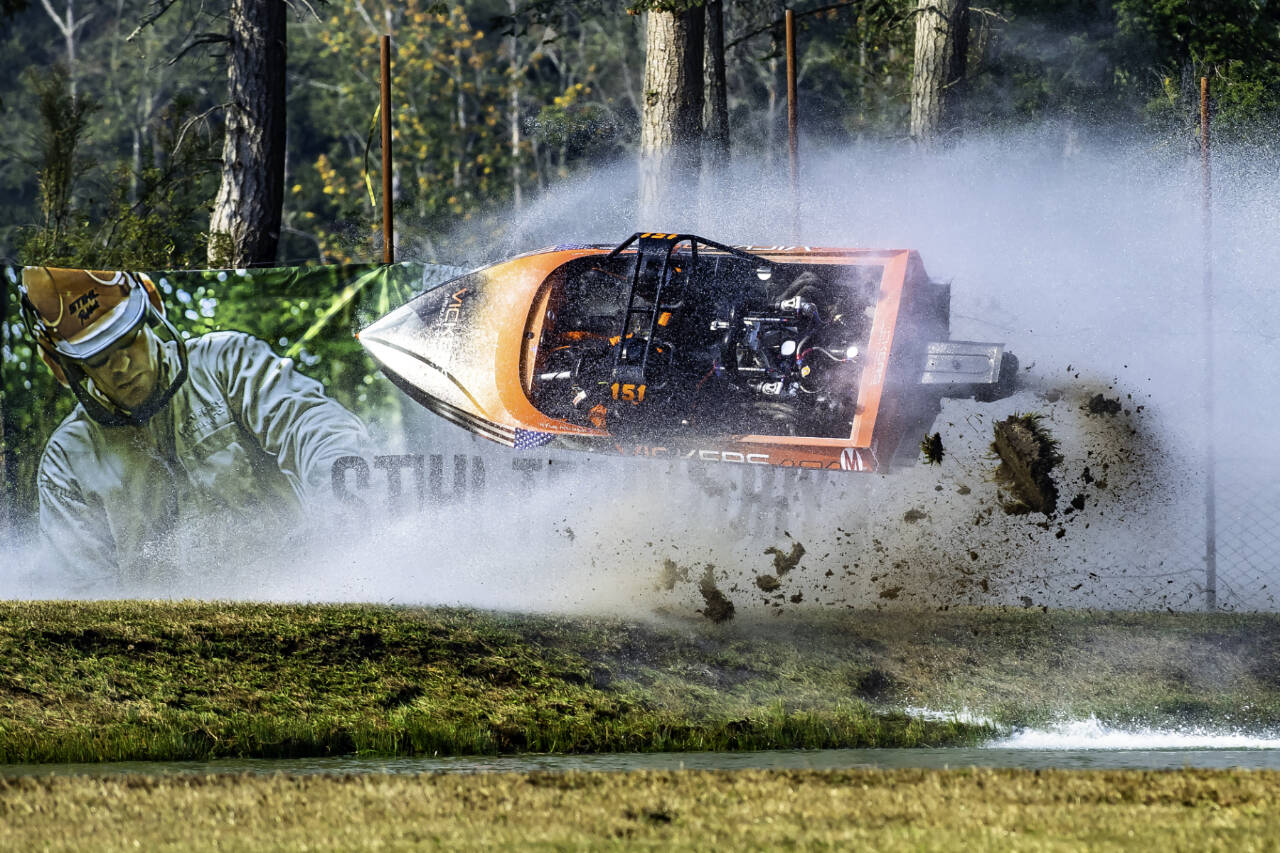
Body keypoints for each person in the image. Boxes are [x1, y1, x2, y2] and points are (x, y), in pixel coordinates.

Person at [19, 266, 369, 591]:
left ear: (152, 307)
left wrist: (340, 507)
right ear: (63, 367)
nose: (122, 365)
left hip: (291, 592)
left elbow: (314, 425)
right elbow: (82, 588)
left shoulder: (228, 363)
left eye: (128, 340)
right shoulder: (67, 459)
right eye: (97, 359)